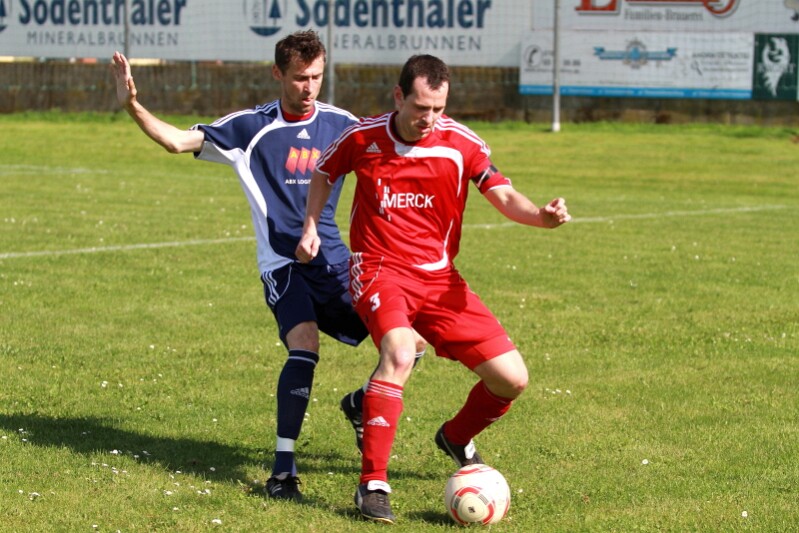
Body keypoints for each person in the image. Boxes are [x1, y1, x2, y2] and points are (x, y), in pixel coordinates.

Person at [111, 30, 424, 502]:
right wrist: (132, 105)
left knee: (411, 343)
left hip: (335, 262)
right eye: (299, 77)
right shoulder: (248, 128)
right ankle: (282, 471)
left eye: (316, 76)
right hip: (283, 265)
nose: (309, 87)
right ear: (278, 73)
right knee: (305, 345)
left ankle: (361, 403)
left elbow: (389, 153)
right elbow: (176, 141)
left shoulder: (342, 124)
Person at [296, 54, 571, 523]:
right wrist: (310, 226)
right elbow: (324, 172)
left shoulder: (461, 143)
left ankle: (455, 437)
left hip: (440, 278)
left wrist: (540, 218)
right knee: (401, 352)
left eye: (439, 109)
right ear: (399, 96)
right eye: (421, 107)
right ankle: (372, 484)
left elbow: (503, 193)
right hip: (378, 268)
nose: (430, 119)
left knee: (512, 379)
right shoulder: (363, 137)